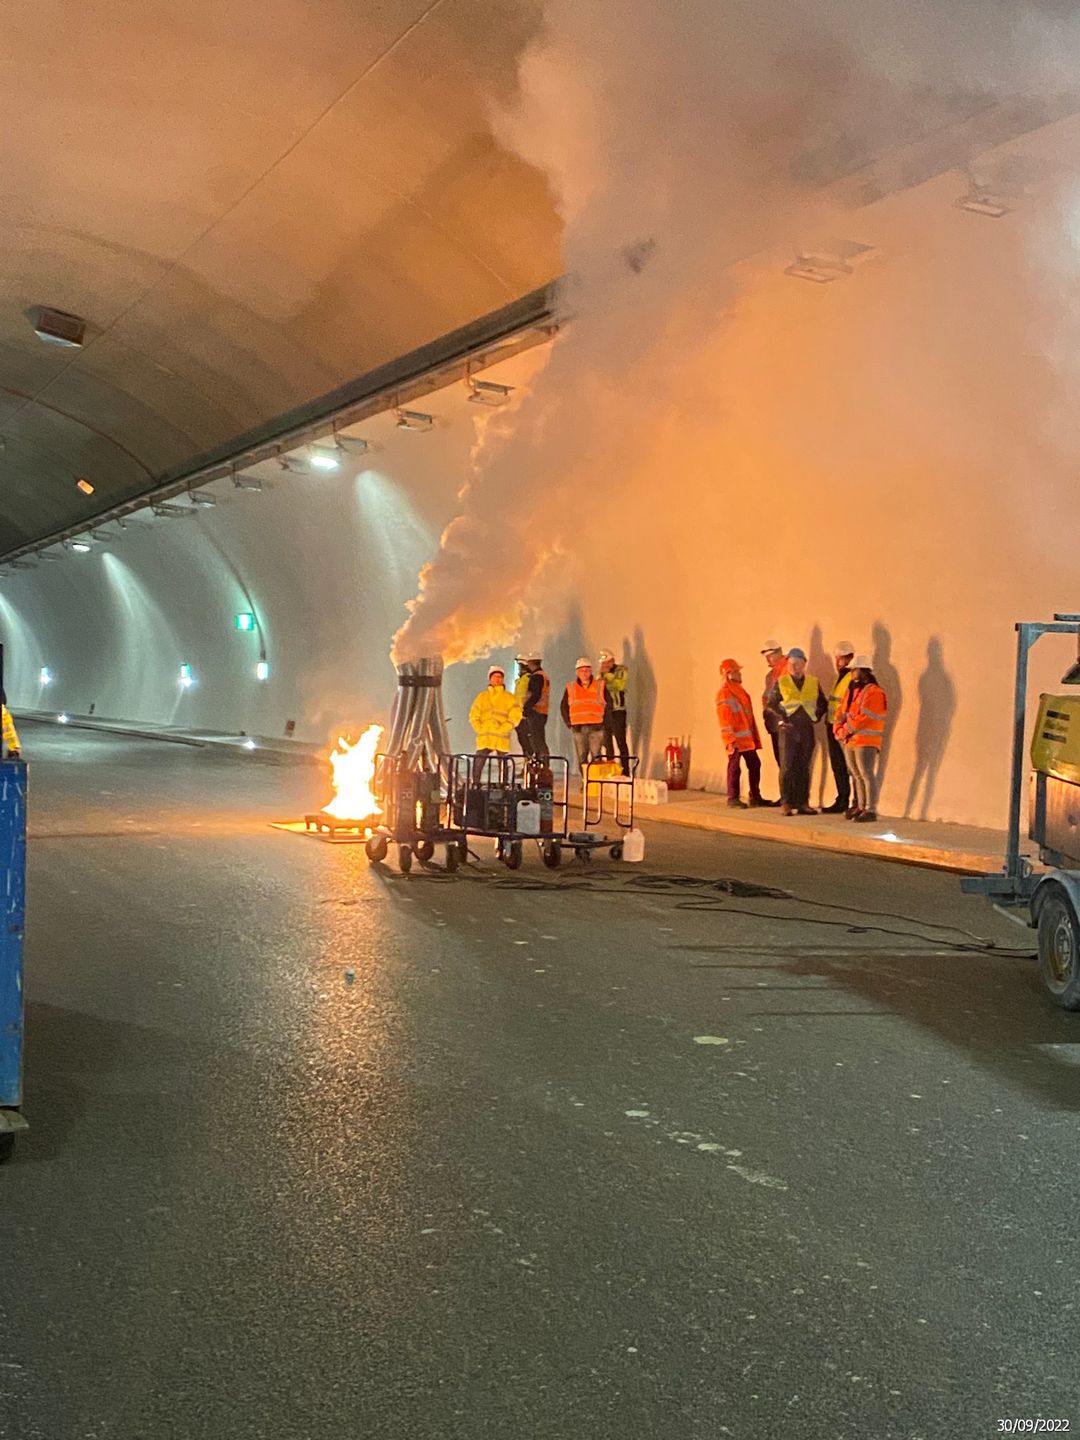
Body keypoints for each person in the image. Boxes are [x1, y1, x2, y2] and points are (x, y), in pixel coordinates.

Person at [765, 646, 826, 815]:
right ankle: (786, 802)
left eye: (798, 664)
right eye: (791, 664)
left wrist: (815, 717)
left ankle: (802, 802)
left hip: (806, 728)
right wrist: (782, 718)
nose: (795, 667)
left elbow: (822, 703)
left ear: (804, 664)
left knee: (804, 766)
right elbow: (771, 705)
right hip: (788, 730)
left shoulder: (813, 682)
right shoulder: (782, 682)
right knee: (787, 767)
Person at [834, 654, 888, 822]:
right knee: (856, 774)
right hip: (851, 739)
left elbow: (865, 717)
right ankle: (860, 806)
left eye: (854, 670)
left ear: (863, 671)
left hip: (866, 740)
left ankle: (870, 809)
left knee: (866, 774)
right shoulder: (851, 691)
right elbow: (841, 713)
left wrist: (845, 730)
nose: (852, 673)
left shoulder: (874, 692)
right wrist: (838, 729)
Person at [716, 659, 771, 807]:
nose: (740, 674)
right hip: (735, 739)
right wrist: (730, 739)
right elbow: (725, 719)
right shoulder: (725, 693)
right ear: (728, 674)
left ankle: (755, 796)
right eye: (736, 671)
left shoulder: (739, 691)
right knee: (734, 767)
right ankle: (733, 797)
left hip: (745, 739)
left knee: (754, 764)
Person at [468, 666, 522, 782]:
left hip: (501, 737)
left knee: (503, 764)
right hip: (485, 737)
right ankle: (475, 784)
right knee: (478, 762)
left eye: (500, 677)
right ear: (490, 679)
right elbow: (473, 715)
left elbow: (516, 716)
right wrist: (479, 728)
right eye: (495, 677)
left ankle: (503, 786)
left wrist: (505, 728)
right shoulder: (482, 697)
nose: (497, 679)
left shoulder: (509, 698)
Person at [822, 642, 855, 815]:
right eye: (837, 658)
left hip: (843, 728)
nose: (837, 662)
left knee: (850, 766)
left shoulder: (852, 677)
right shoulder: (840, 677)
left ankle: (852, 801)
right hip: (832, 725)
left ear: (849, 658)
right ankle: (842, 798)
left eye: (840, 659)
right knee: (838, 765)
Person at [560, 657, 608, 774]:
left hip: (596, 727)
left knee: (596, 757)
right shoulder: (571, 687)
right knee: (582, 757)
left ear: (591, 671)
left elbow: (609, 705)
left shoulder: (600, 685)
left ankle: (595, 780)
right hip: (578, 728)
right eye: (581, 670)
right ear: (577, 672)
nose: (584, 673)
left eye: (587, 670)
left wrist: (606, 722)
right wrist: (568, 722)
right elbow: (563, 706)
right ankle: (585, 780)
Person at [598, 648, 630, 776]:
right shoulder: (601, 675)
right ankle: (610, 770)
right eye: (603, 663)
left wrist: (605, 676)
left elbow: (619, 685)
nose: (605, 665)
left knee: (621, 742)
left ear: (612, 661)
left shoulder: (621, 670)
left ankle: (626, 770)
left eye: (607, 662)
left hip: (618, 711)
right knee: (607, 743)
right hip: (605, 712)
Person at [514, 652, 550, 762]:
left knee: (536, 741)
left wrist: (526, 709)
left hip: (534, 713)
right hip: (535, 713)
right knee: (534, 741)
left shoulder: (535, 677)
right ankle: (536, 765)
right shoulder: (541, 675)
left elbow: (535, 695)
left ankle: (541, 765)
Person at [760, 640, 788, 768]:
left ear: (779, 653)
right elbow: (767, 698)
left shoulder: (788, 670)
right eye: (766, 657)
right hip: (774, 724)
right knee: (781, 762)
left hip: (786, 724)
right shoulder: (770, 676)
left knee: (788, 763)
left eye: (770, 656)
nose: (768, 660)